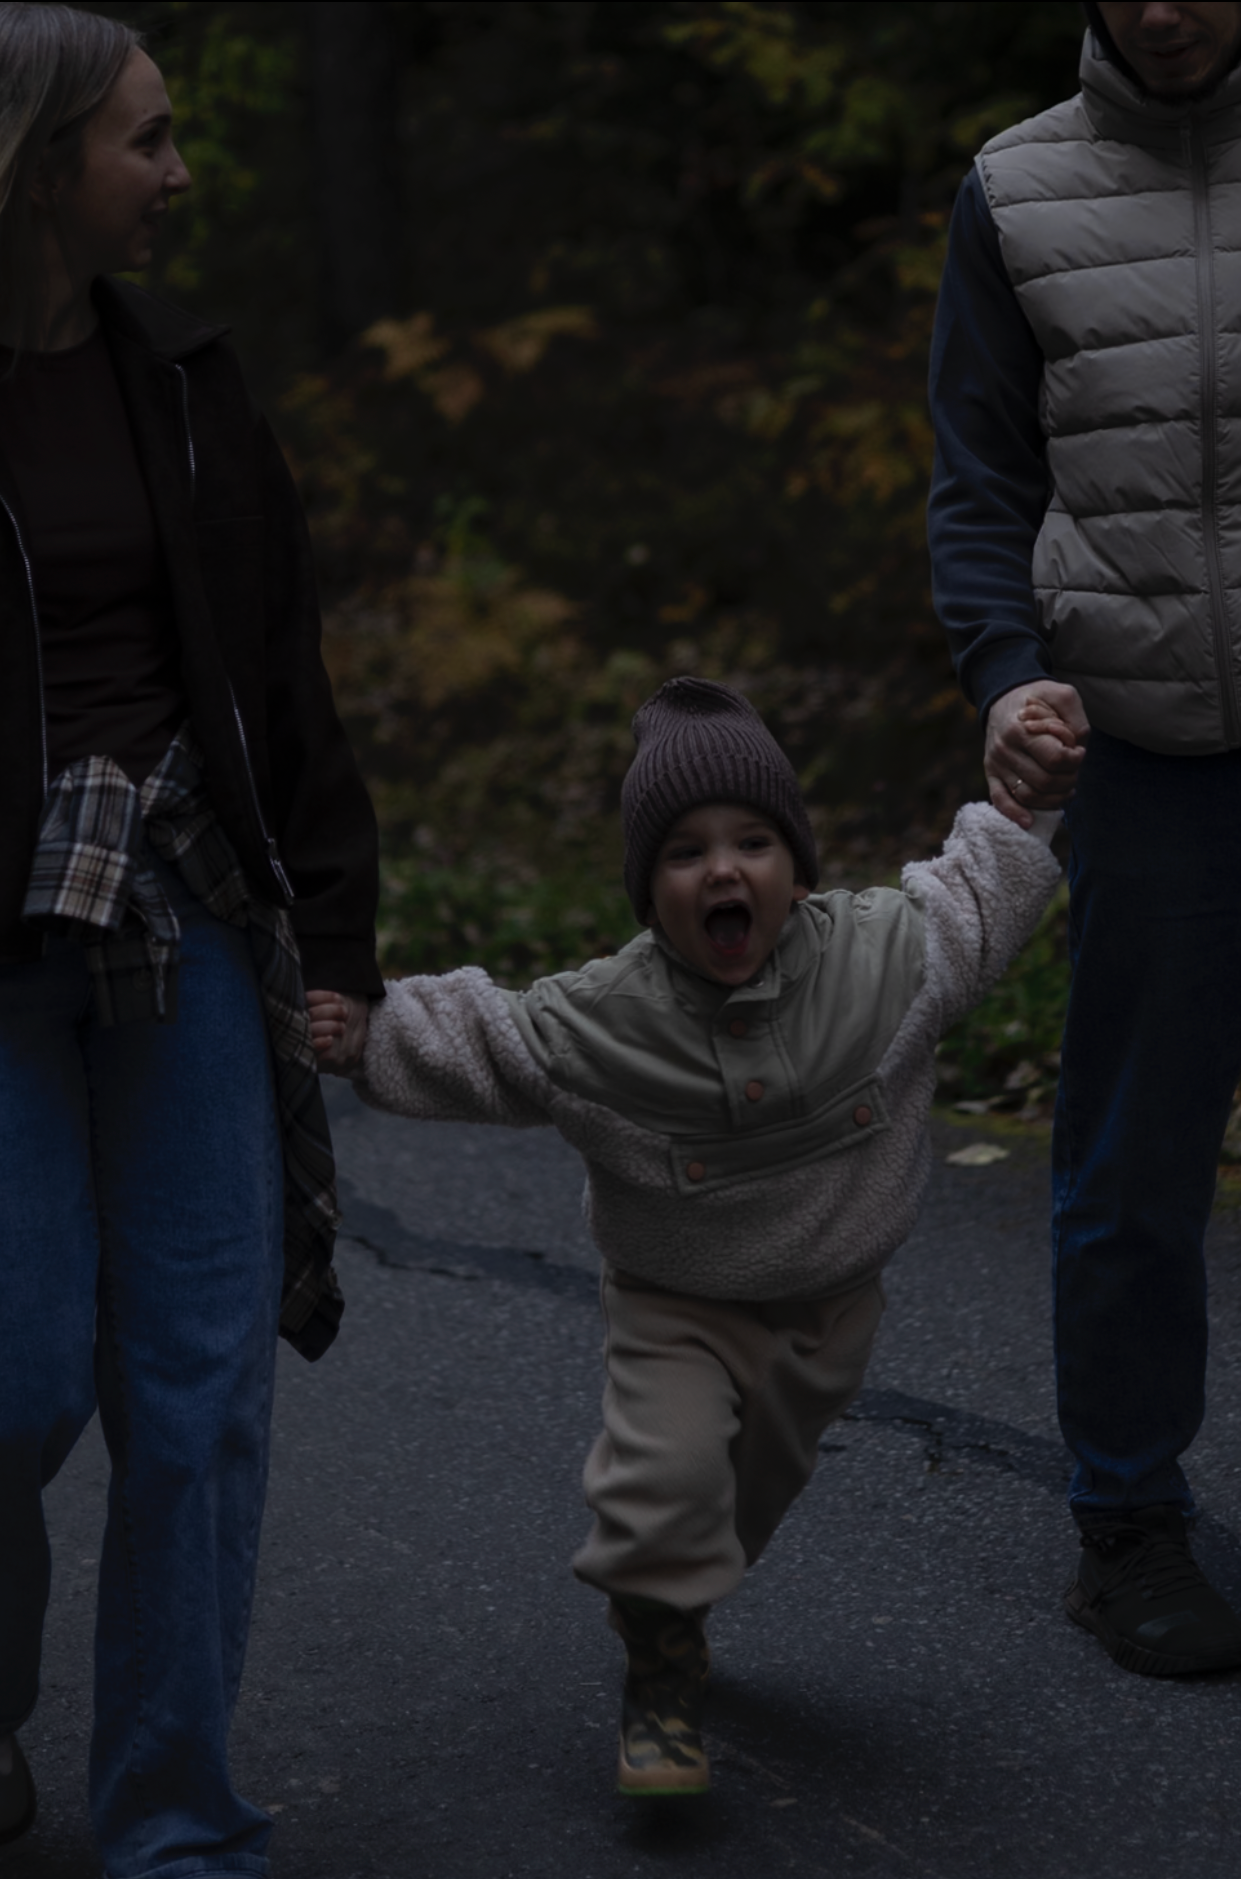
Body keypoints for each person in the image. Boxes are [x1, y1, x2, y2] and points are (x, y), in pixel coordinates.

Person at [310, 676, 1062, 1794]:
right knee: (666, 1488)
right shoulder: (606, 1020)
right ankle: (660, 1675)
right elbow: (488, 1037)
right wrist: (366, 1031)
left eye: (754, 841)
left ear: (796, 867)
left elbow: (979, 897)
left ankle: (682, 1592)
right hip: (677, 1301)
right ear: (647, 894)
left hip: (831, 1308)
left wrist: (1022, 799)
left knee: (740, 1506)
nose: (723, 869)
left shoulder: (886, 960)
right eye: (684, 853)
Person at [0, 3, 380, 1879]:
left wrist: (335, 939)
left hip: (189, 925)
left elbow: (283, 683)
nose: (176, 169)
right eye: (142, 140)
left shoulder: (197, 387)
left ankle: (174, 1810)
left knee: (199, 1387)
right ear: (39, 158)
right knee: (15, 1366)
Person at [927, 0, 1241, 1677]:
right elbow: (979, 475)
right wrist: (1007, 673)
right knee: (1133, 1174)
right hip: (1150, 760)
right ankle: (1128, 1531)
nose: (1164, 8)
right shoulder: (1016, 190)